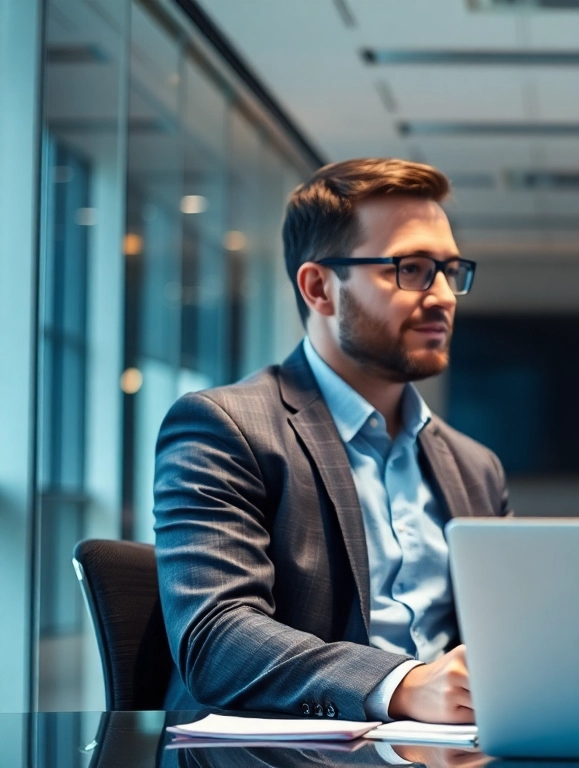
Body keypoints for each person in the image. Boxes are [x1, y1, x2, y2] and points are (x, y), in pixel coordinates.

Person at [154, 158, 508, 724]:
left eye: (449, 270)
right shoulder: (223, 428)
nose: (443, 295)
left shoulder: (475, 467)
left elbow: (511, 634)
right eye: (412, 268)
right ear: (320, 287)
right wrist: (403, 685)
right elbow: (216, 638)